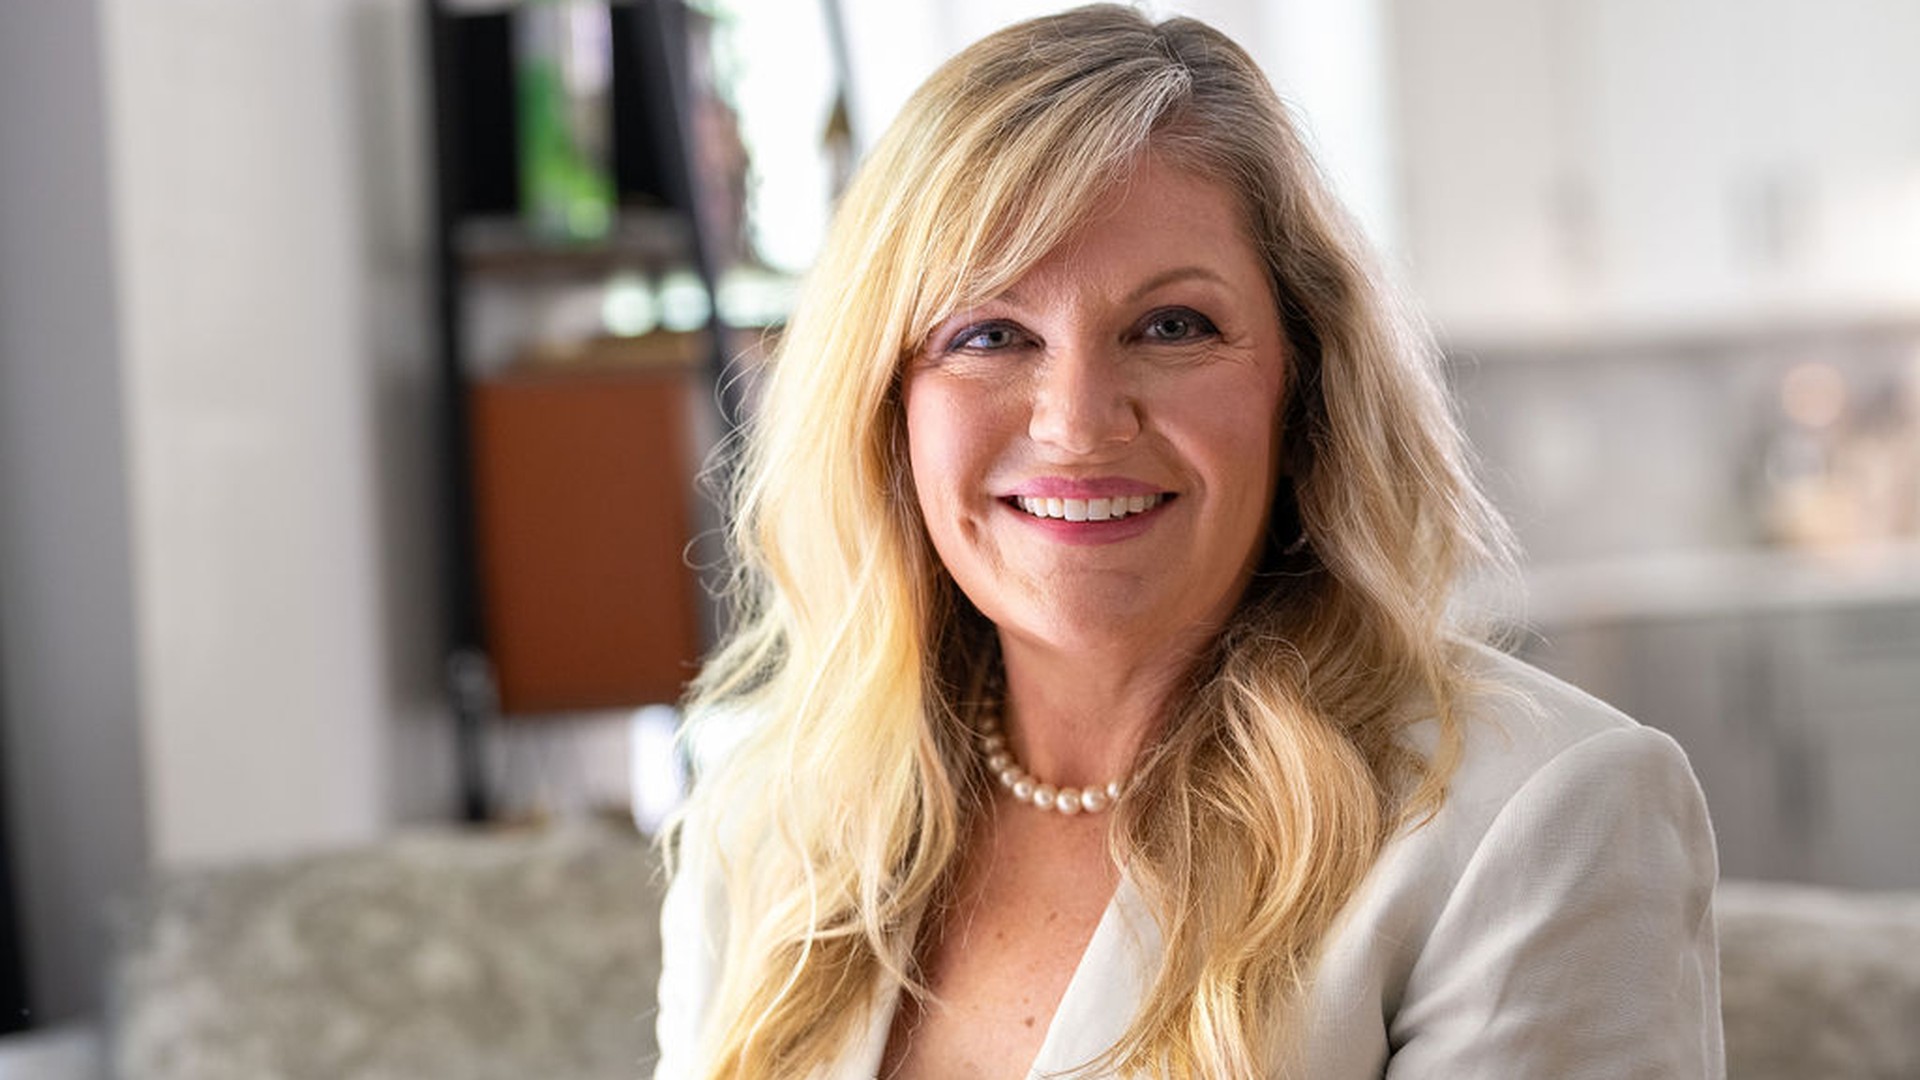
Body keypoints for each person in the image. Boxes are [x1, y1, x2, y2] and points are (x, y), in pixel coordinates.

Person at [654, 5, 1722, 1077]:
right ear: (887, 409)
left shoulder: (1546, 814)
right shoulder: (766, 827)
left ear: (1301, 385)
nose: (1077, 422)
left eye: (1173, 326)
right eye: (989, 334)